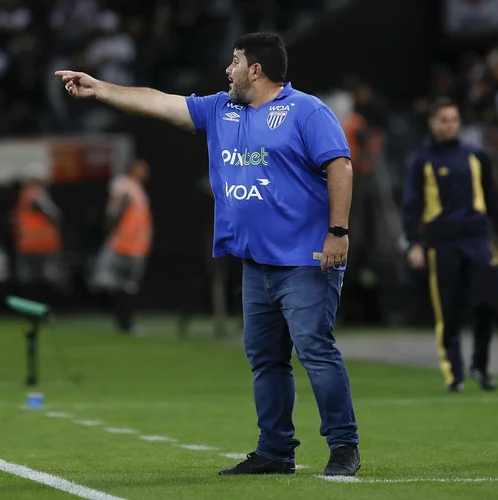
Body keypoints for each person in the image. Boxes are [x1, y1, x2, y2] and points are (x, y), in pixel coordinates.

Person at [56, 32, 360, 477]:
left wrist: (338, 232)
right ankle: (276, 452)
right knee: (265, 359)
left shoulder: (306, 111)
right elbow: (159, 102)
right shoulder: (222, 108)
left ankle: (343, 447)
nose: (228, 70)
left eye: (235, 61)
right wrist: (100, 88)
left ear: (256, 69)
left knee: (315, 351)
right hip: (256, 261)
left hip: (305, 259)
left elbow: (341, 165)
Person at [401, 98, 498, 393]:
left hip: (478, 238)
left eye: (453, 119)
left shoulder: (476, 156)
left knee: (489, 300)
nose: (449, 125)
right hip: (442, 243)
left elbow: (494, 199)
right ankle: (455, 374)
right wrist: (414, 242)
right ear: (433, 123)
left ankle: (480, 365)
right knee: (447, 311)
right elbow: (411, 205)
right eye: (444, 120)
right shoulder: (422, 160)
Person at [90, 159, 153, 335]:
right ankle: (124, 321)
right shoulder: (125, 186)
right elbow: (116, 212)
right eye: (142, 169)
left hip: (136, 244)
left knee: (127, 285)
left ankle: (125, 321)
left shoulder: (135, 187)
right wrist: (111, 235)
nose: (146, 173)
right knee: (121, 283)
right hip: (124, 243)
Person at [11, 176, 63, 303]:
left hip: (32, 244)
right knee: (41, 279)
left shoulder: (28, 194)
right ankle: (41, 308)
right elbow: (56, 215)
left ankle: (34, 309)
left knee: (31, 280)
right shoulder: (37, 194)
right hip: (42, 244)